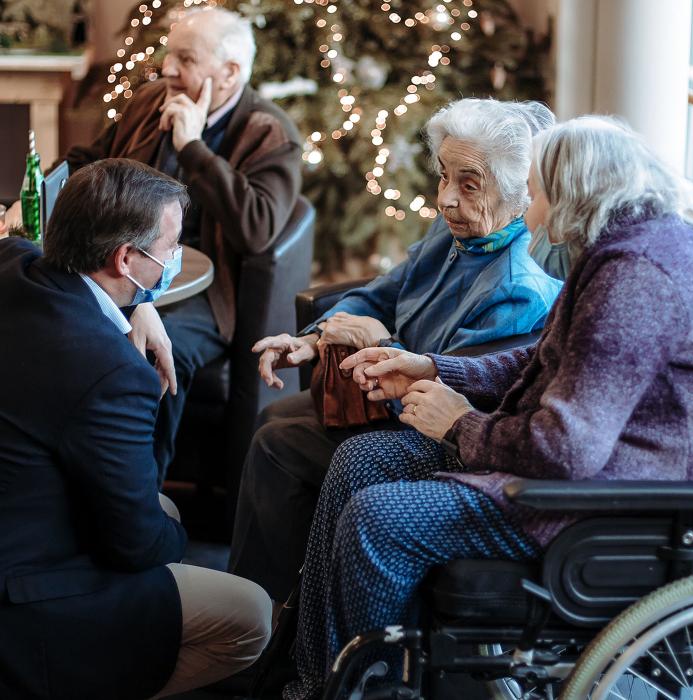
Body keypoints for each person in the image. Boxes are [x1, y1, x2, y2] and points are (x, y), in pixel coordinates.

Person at [283, 116, 693, 700]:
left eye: (539, 187)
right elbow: (543, 355)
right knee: (360, 460)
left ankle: (374, 688)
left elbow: (566, 450)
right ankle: (320, 681)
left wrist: (460, 425)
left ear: (573, 191)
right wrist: (434, 368)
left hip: (599, 500)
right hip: (575, 471)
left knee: (377, 520)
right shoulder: (625, 247)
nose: (532, 200)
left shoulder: (635, 280)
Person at [229, 98, 563, 603]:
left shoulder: (517, 287)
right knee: (272, 418)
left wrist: (380, 344)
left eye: (468, 183)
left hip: (428, 434)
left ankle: (271, 617)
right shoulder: (457, 229)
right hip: (382, 396)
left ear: (520, 192)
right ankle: (274, 603)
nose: (446, 199)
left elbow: (443, 395)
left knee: (278, 447)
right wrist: (313, 339)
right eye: (443, 177)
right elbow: (383, 291)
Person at [0, 159, 271, 699]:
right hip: (24, 597)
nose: (173, 260)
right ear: (125, 259)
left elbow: (26, 247)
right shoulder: (113, 374)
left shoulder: (13, 264)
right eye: (170, 248)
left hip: (20, 507)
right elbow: (135, 544)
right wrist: (177, 540)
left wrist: (135, 309)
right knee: (251, 615)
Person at [5, 7, 303, 481]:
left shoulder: (269, 131)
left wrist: (192, 148)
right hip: (120, 267)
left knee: (155, 353)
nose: (167, 70)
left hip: (206, 290)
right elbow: (88, 160)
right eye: (169, 56)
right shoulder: (151, 100)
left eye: (185, 59)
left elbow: (258, 227)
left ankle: (139, 486)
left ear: (229, 72)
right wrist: (36, 192)